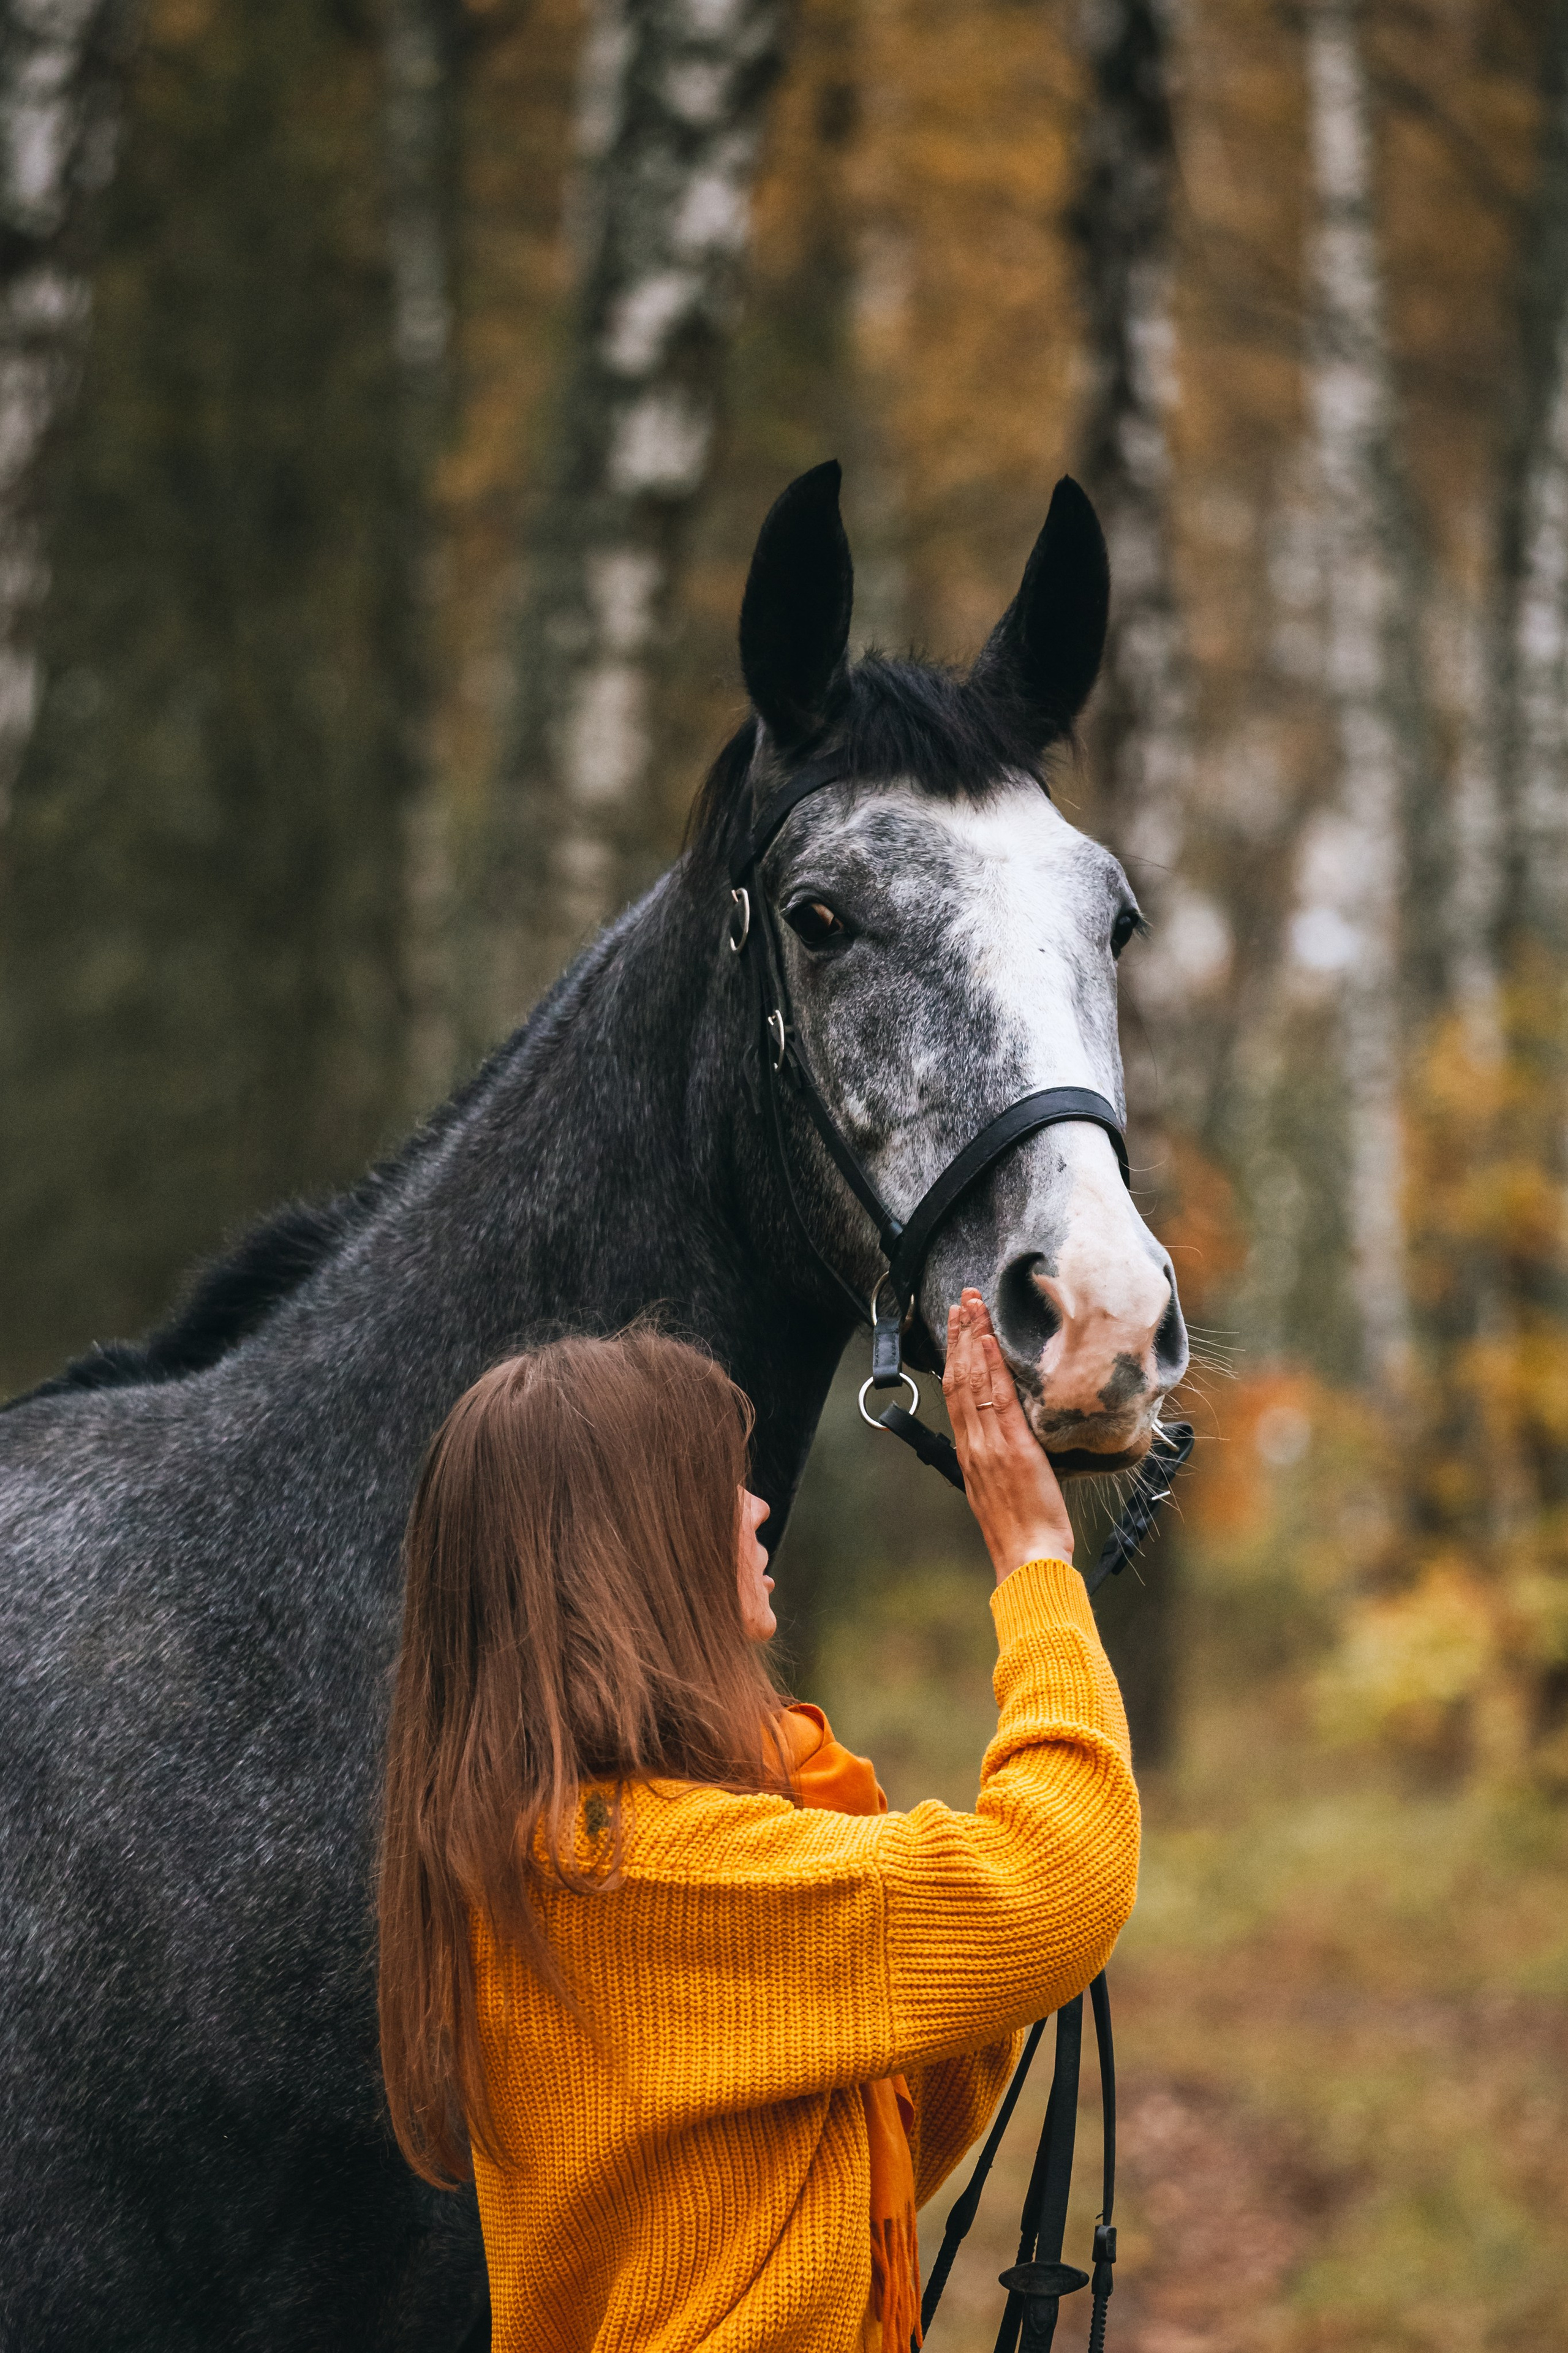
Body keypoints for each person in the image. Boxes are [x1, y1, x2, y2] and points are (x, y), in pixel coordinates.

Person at [377, 1291, 1140, 2353]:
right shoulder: (634, 1870)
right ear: (633, 1548)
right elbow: (1053, 1884)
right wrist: (1035, 1569)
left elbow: (862, 2154)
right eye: (712, 1486)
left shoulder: (568, 1846)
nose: (753, 1509)